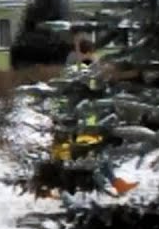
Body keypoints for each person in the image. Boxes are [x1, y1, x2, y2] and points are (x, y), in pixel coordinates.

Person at [52, 39, 138, 195]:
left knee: (87, 152)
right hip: (86, 120)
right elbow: (94, 88)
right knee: (95, 151)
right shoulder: (86, 69)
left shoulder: (72, 68)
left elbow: (62, 93)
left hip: (79, 119)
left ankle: (115, 183)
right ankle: (114, 183)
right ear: (90, 52)